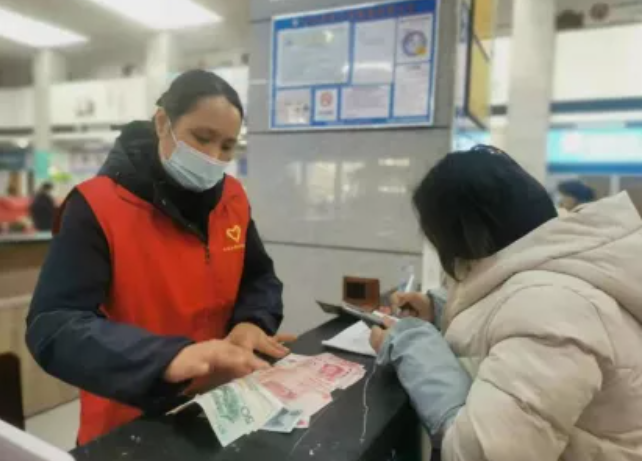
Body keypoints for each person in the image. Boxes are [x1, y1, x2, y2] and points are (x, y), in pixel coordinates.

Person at [27, 70, 292, 445]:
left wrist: (252, 321)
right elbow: (55, 323)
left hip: (222, 405)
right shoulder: (97, 205)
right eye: (202, 138)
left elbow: (259, 277)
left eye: (228, 146)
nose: (214, 157)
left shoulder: (232, 198)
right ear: (163, 122)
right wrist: (168, 359)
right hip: (130, 420)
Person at [370, 145, 642, 460]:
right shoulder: (559, 265)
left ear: (465, 236)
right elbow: (509, 313)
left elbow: (482, 453)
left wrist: (411, 343)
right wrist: (439, 308)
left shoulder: (553, 309)